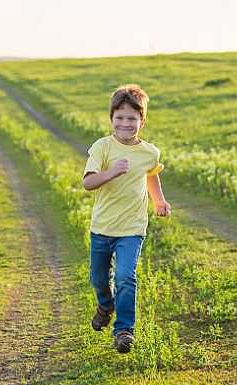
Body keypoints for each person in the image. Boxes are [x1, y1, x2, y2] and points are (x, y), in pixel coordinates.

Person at [82, 84, 171, 353]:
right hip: (102, 227)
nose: (125, 123)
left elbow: (151, 174)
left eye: (132, 118)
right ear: (111, 119)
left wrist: (159, 200)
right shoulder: (102, 148)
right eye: (119, 117)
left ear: (142, 121)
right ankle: (105, 306)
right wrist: (110, 173)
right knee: (98, 279)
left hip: (132, 229)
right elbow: (88, 183)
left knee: (125, 277)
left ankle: (123, 330)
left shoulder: (149, 152)